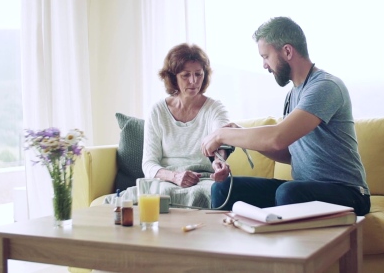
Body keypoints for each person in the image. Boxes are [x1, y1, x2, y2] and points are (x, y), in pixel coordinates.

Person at [201, 17, 371, 216]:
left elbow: (277, 137)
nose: (264, 65)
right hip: (305, 191)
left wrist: (220, 135)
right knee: (223, 189)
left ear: (287, 51)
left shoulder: (325, 86)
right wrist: (239, 135)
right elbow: (288, 152)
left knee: (289, 193)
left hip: (349, 193)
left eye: (265, 56)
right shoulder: (293, 95)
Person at [139, 43, 231, 209]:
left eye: (198, 74)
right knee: (152, 195)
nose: (193, 81)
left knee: (210, 192)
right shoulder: (158, 111)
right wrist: (174, 176)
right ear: (173, 77)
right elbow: (149, 164)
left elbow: (221, 140)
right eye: (186, 75)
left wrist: (219, 162)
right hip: (167, 179)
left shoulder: (215, 108)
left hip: (203, 180)